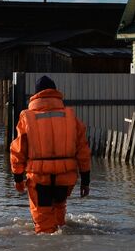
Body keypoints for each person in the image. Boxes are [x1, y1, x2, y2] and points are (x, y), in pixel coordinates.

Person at [9, 76, 91, 234]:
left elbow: (18, 150)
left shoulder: (27, 117)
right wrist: (85, 181)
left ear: (36, 95)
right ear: (55, 93)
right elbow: (83, 151)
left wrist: (18, 179)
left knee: (44, 227)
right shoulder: (70, 116)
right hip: (65, 178)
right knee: (59, 217)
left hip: (40, 179)